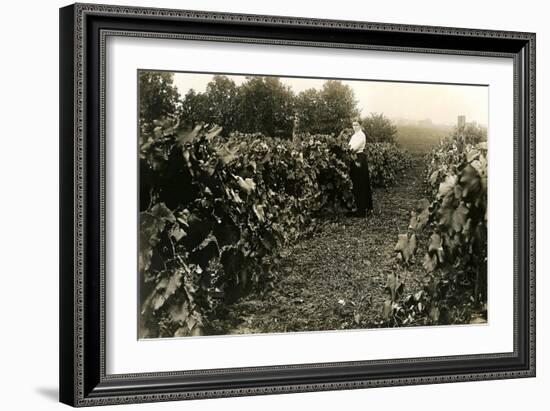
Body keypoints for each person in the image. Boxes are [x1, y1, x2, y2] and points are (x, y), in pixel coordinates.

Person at [348, 120, 373, 217]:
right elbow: (349, 147)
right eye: (353, 125)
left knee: (361, 183)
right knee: (355, 183)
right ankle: (358, 208)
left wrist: (348, 150)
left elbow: (353, 148)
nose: (354, 127)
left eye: (356, 125)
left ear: (360, 125)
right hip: (354, 158)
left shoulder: (362, 135)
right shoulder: (354, 136)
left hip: (359, 159)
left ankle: (362, 210)